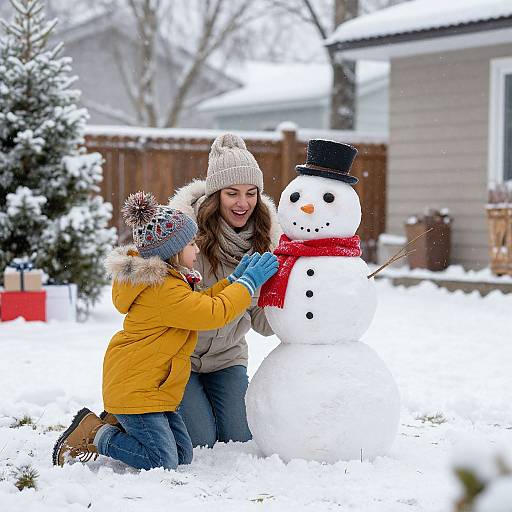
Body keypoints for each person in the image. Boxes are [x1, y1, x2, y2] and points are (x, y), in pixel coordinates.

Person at [52, 191, 278, 470]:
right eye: (192, 244)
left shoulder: (171, 281)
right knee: (162, 460)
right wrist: (247, 285)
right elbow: (211, 313)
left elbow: (202, 301)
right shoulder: (163, 290)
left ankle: (122, 428)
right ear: (173, 251)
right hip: (137, 389)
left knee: (183, 455)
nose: (197, 249)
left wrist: (232, 280)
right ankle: (97, 434)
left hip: (152, 388)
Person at [167, 132, 281, 448]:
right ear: (216, 196)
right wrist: (238, 287)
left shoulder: (264, 245)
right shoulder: (187, 244)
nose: (242, 203)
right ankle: (131, 416)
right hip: (181, 358)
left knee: (238, 436)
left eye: (251, 193)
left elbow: (262, 325)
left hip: (227, 358)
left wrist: (298, 294)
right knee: (200, 439)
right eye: (232, 193)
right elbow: (181, 308)